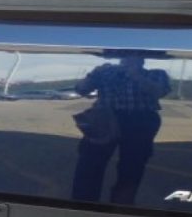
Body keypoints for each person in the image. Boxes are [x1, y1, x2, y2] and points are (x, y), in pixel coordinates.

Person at [71, 55, 171, 204]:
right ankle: (83, 203)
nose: (128, 60)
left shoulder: (156, 73)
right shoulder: (106, 72)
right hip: (104, 117)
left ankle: (121, 204)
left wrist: (135, 75)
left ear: (142, 60)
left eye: (133, 57)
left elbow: (159, 92)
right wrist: (94, 74)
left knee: (132, 165)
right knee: (90, 161)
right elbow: (81, 90)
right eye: (125, 56)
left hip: (140, 119)